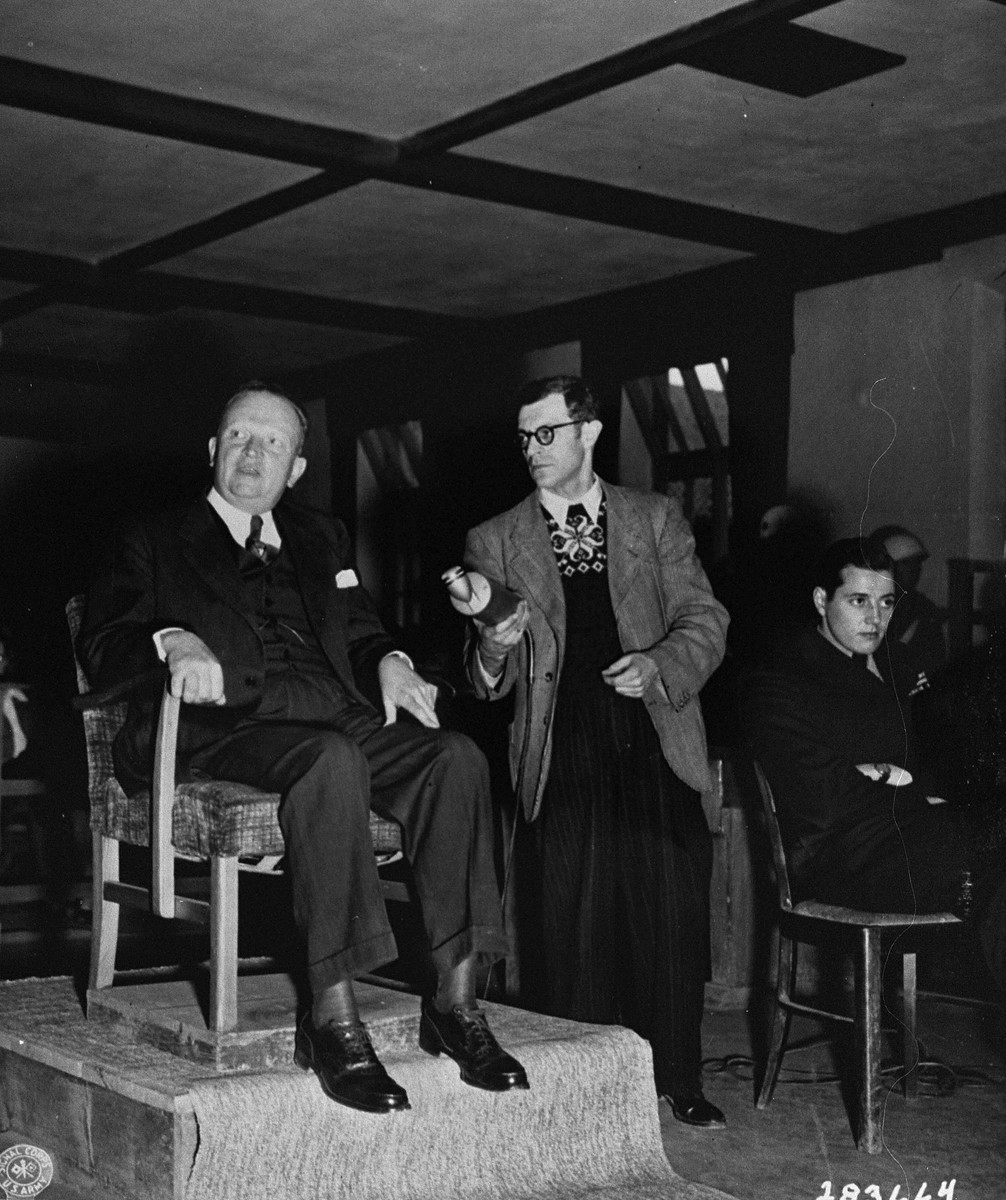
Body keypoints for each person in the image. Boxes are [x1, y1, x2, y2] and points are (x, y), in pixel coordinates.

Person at [80, 382, 528, 1114]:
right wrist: (172, 639)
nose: (252, 454)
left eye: (273, 443)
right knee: (331, 762)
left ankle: (456, 1004)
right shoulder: (153, 535)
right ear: (212, 449)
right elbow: (103, 642)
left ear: (294, 470)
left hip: (336, 714)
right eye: (238, 438)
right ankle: (333, 1020)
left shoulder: (322, 537)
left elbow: (358, 628)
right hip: (227, 729)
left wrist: (386, 658)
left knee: (455, 758)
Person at [461, 376, 729, 1127]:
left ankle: (679, 1076)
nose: (532, 450)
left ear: (589, 431)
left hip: (654, 734)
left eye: (546, 433)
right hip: (560, 742)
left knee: (671, 910)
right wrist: (489, 644)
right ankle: (581, 1087)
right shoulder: (494, 538)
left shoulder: (654, 517)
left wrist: (660, 663)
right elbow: (485, 683)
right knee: (572, 921)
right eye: (523, 437)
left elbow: (706, 619)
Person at [741, 537, 1005, 990]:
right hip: (841, 862)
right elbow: (823, 798)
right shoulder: (782, 679)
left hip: (912, 839)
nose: (875, 618)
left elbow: (940, 760)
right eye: (858, 600)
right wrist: (906, 784)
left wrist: (885, 773)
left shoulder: (898, 665)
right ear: (822, 600)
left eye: (885, 602)